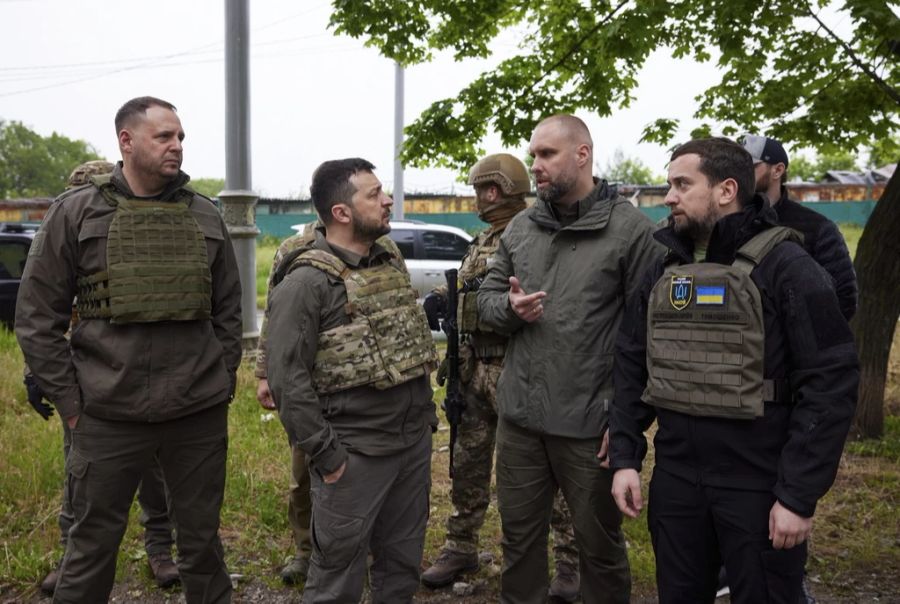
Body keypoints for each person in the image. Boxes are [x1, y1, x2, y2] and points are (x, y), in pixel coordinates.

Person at [610, 137, 859, 604]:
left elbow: (831, 379)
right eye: (669, 185)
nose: (669, 197)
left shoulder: (788, 265)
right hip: (678, 481)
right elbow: (631, 359)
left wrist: (797, 496)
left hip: (758, 487)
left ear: (726, 190)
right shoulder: (666, 265)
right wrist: (625, 455)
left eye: (683, 184)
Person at [15, 96, 242, 604]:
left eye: (180, 137)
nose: (177, 146)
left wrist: (220, 380)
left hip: (196, 413)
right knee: (90, 547)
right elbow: (36, 317)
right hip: (107, 413)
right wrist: (72, 406)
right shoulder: (74, 212)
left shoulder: (205, 214)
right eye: (164, 137)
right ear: (127, 140)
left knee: (203, 548)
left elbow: (229, 310)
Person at [476, 115, 661, 604]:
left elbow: (648, 338)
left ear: (582, 155)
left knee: (598, 549)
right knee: (519, 543)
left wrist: (624, 422)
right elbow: (486, 303)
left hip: (588, 426)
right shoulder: (520, 227)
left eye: (546, 154)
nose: (534, 165)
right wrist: (510, 309)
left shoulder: (632, 233)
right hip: (519, 421)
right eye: (533, 154)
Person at [266, 158, 439, 603]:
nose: (387, 201)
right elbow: (289, 381)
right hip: (355, 454)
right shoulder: (306, 282)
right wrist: (328, 456)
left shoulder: (388, 260)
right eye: (374, 194)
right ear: (341, 212)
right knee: (336, 576)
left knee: (401, 566)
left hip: (410, 445)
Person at [421, 153, 581, 600]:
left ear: (495, 189)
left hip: (516, 366)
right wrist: (442, 298)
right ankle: (461, 546)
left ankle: (570, 562)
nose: (476, 197)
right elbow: (474, 283)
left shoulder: (532, 230)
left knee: (541, 470)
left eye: (479, 189)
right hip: (474, 370)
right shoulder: (486, 236)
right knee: (466, 465)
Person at [24, 159, 179, 596]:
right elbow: (41, 317)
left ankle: (160, 550)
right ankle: (73, 557)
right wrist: (39, 375)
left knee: (155, 475)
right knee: (81, 478)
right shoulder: (65, 232)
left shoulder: (136, 234)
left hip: (139, 374)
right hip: (84, 379)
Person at [740, 134, 858, 321]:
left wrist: (798, 339)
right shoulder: (730, 222)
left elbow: (845, 297)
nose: (741, 174)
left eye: (751, 167)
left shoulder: (817, 227)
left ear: (777, 170)